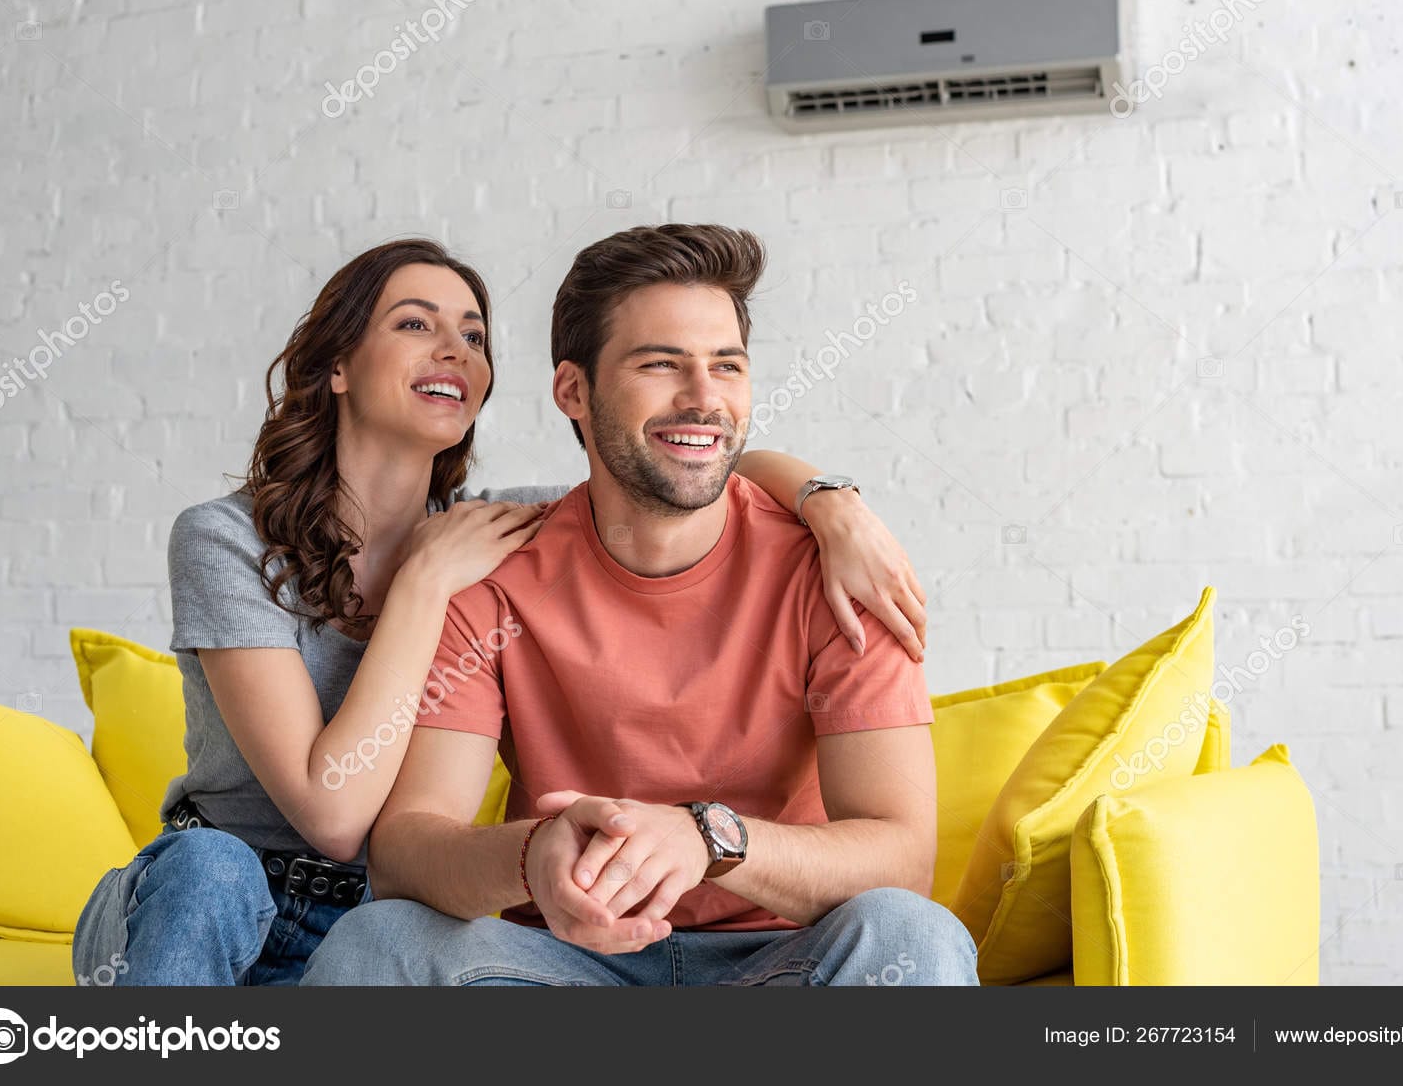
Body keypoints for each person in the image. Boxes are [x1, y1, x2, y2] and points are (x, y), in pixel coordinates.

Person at [70, 237, 930, 987]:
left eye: (474, 336)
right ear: (335, 365)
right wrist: (421, 587)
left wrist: (829, 501)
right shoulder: (252, 543)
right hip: (230, 885)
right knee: (237, 884)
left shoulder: (493, 530)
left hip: (372, 907)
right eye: (415, 324)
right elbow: (341, 821)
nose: (454, 349)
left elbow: (681, 474)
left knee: (910, 934)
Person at [302, 225, 979, 987]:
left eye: (727, 366)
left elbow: (902, 857)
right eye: (661, 364)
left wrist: (708, 839)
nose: (704, 399)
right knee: (376, 942)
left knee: (911, 935)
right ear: (573, 391)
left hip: (780, 963)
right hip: (562, 967)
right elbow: (406, 850)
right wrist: (533, 856)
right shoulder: (491, 576)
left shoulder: (837, 569)